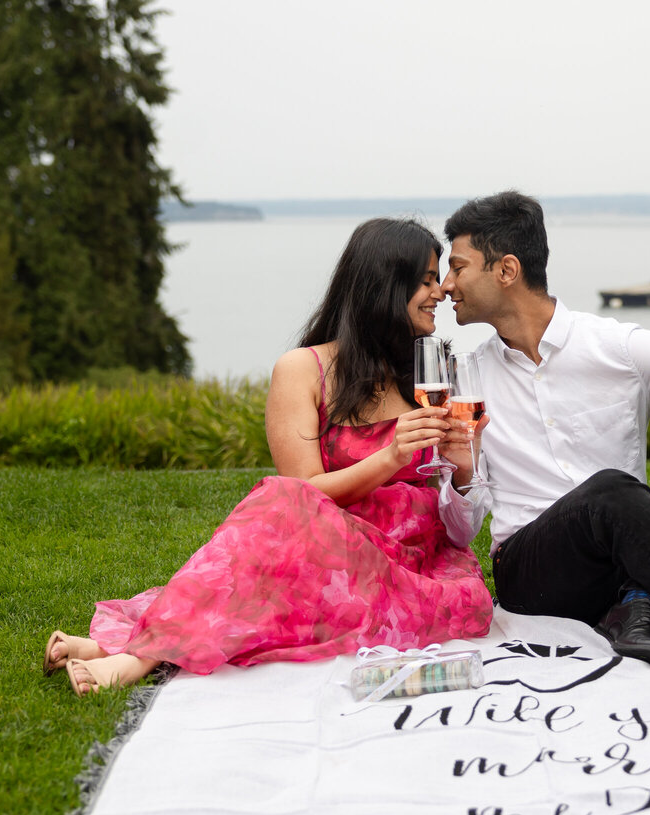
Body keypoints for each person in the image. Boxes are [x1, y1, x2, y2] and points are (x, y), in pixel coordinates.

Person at [44, 218, 494, 694]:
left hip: (413, 564)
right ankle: (137, 658)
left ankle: (130, 652)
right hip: (328, 552)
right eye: (425, 279)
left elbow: (456, 500)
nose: (441, 291)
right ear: (384, 285)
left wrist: (463, 468)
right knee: (279, 502)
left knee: (257, 575)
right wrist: (388, 457)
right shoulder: (304, 370)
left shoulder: (433, 373)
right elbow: (303, 491)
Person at [436, 191, 650, 665]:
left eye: (458, 267)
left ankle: (639, 602)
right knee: (609, 492)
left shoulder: (615, 347)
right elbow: (463, 530)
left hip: (627, 544)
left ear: (505, 270)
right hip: (533, 571)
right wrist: (461, 475)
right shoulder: (470, 381)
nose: (444, 285)